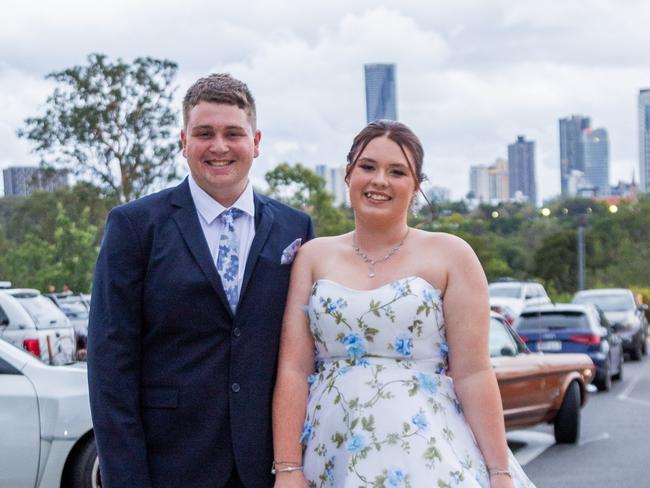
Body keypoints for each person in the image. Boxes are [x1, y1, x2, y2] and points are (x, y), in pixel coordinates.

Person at [272, 120, 535, 487]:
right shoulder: (313, 256)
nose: (380, 180)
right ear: (349, 174)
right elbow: (293, 370)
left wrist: (499, 472)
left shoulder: (451, 255)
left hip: (426, 452)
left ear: (415, 186)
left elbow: (473, 372)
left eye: (397, 171)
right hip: (331, 453)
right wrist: (287, 468)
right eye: (368, 167)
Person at [88, 73, 314, 488]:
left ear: (256, 141)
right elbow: (110, 366)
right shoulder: (135, 227)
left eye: (233, 133)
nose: (219, 146)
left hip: (267, 464)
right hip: (169, 463)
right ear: (184, 141)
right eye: (204, 133)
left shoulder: (295, 228)